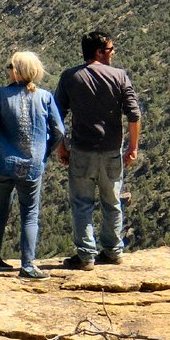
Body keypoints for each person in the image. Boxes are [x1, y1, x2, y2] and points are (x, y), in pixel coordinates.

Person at [54, 31, 142, 271]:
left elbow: (56, 116)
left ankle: (85, 257)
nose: (113, 53)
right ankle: (113, 251)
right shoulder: (119, 76)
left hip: (81, 151)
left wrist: (61, 147)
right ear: (99, 52)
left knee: (82, 204)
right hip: (111, 151)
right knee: (111, 202)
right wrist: (133, 147)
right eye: (110, 49)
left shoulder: (70, 77)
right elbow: (134, 115)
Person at [0, 51, 64, 280]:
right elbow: (59, 131)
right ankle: (27, 266)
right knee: (30, 213)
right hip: (32, 166)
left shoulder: (1, 95)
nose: (8, 69)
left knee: (1, 209)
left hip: (3, 164)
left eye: (10, 66)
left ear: (16, 71)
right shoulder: (44, 97)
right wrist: (44, 152)